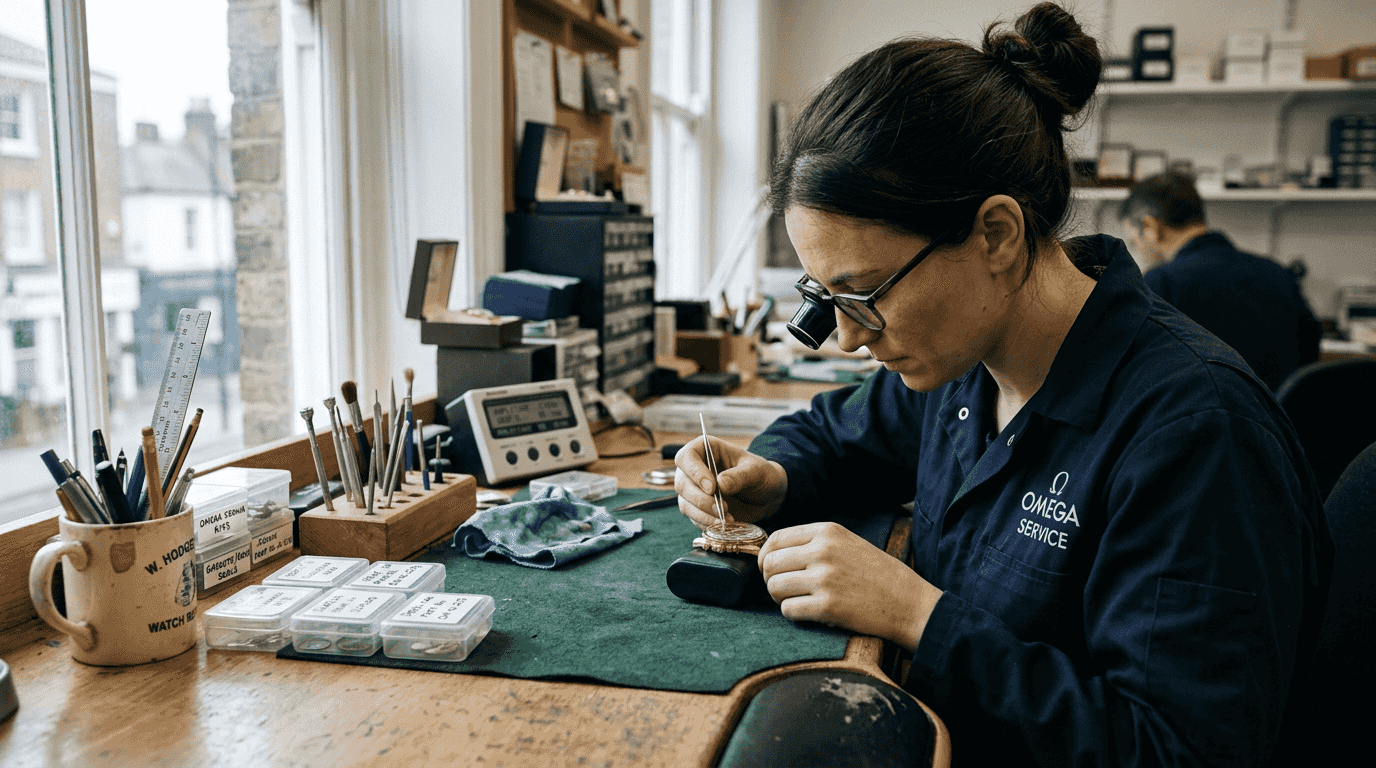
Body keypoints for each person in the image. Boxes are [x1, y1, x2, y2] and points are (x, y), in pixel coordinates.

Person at [674, 4, 1331, 766]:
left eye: (864, 296)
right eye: (824, 300)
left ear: (996, 235)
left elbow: (1176, 750)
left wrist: (918, 614)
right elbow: (830, 431)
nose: (848, 337)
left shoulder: (1194, 434)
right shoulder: (962, 369)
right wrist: (770, 475)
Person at [1120, 172, 1322, 389]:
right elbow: (1309, 350)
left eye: (1134, 242)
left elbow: (1138, 373)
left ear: (1151, 227)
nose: (1138, 252)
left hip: (1206, 420)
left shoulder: (1162, 282)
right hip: (1278, 419)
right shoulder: (1277, 273)